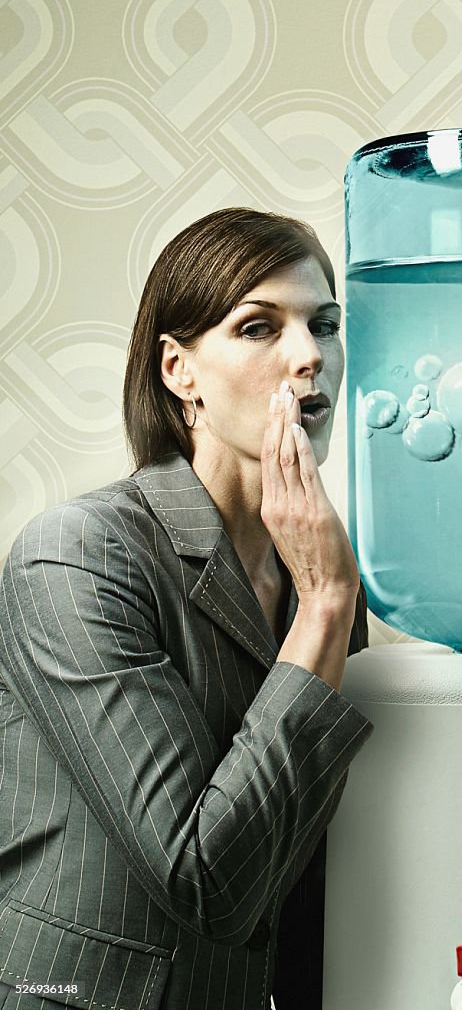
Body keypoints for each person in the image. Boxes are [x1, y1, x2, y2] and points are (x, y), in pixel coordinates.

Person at [0, 208, 370, 1010]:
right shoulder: (76, 556)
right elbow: (208, 880)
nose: (310, 356)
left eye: (325, 325)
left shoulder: (321, 572)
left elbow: (309, 855)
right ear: (179, 371)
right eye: (259, 327)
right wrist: (324, 609)